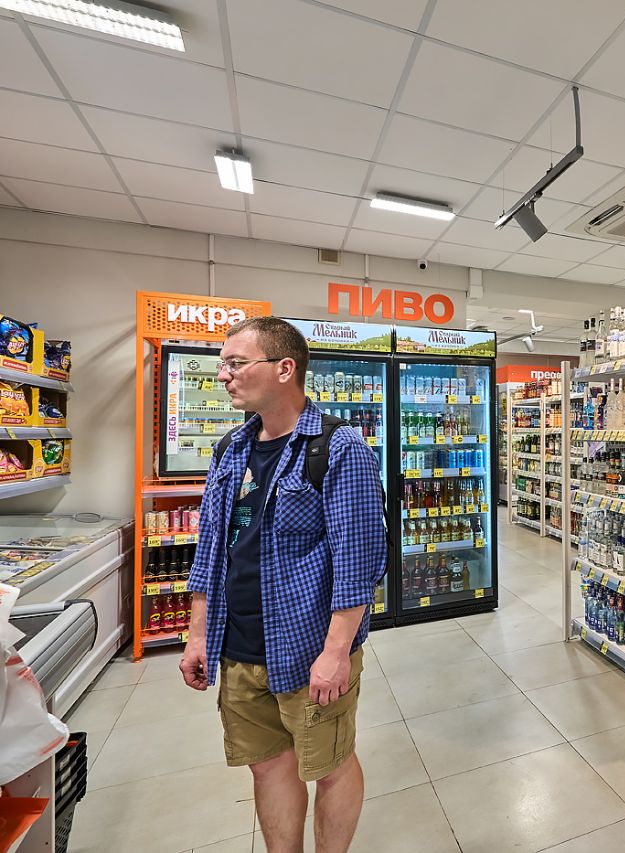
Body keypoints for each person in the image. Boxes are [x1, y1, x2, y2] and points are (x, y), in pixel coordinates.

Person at [179, 316, 385, 853]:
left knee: (330, 766)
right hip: (238, 646)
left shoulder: (339, 448)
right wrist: (198, 633)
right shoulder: (230, 449)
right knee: (268, 766)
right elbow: (211, 547)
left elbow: (359, 561)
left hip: (307, 647)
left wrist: (336, 653)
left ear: (284, 368)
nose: (223, 375)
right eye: (222, 364)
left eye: (236, 363)